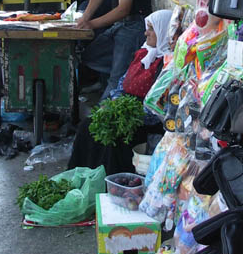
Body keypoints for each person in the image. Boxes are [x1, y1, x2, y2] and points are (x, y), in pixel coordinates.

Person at [68, 9, 173, 175]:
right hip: (123, 109)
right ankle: (81, 178)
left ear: (164, 30)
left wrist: (126, 115)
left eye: (151, 29)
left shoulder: (167, 65)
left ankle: (108, 182)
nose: (146, 33)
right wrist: (112, 104)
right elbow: (121, 84)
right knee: (87, 126)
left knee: (114, 140)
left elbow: (159, 110)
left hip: (144, 122)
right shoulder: (143, 54)